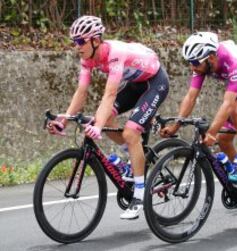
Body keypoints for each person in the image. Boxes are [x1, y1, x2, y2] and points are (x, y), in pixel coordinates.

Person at [46, 15, 169, 219]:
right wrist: (65, 119)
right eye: (74, 42)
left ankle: (139, 195)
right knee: (106, 119)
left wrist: (98, 126)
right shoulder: (87, 59)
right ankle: (132, 158)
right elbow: (81, 91)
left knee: (130, 133)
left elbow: (110, 94)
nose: (77, 46)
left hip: (155, 82)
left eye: (80, 41)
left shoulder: (115, 54)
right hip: (135, 84)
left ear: (95, 40)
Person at [160, 32, 237, 183]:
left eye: (195, 63)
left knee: (236, 111)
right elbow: (191, 96)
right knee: (223, 140)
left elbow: (228, 103)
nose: (192, 67)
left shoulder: (234, 62)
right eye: (189, 62)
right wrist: (175, 126)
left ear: (210, 58)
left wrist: (211, 133)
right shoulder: (203, 63)